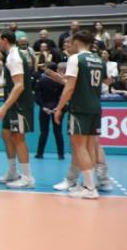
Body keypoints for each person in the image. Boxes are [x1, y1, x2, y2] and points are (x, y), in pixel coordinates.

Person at [54, 31, 105, 199]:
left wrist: (59, 108)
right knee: (90, 146)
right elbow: (107, 81)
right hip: (95, 107)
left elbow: (70, 87)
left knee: (79, 147)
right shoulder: (99, 59)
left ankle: (90, 188)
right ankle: (88, 184)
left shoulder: (75, 58)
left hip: (80, 107)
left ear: (76, 41)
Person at [0, 31, 35, 188]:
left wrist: (4, 107)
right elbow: (14, 81)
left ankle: (28, 177)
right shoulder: (11, 55)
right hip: (13, 104)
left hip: (19, 105)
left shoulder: (14, 57)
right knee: (5, 134)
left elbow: (19, 85)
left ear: (4, 40)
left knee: (19, 138)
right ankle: (12, 171)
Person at [35, 63, 66, 159]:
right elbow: (64, 96)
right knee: (58, 132)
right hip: (57, 107)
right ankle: (61, 154)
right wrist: (59, 108)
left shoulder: (41, 80)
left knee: (44, 131)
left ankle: (40, 153)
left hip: (45, 107)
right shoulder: (61, 82)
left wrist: (43, 107)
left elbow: (37, 96)